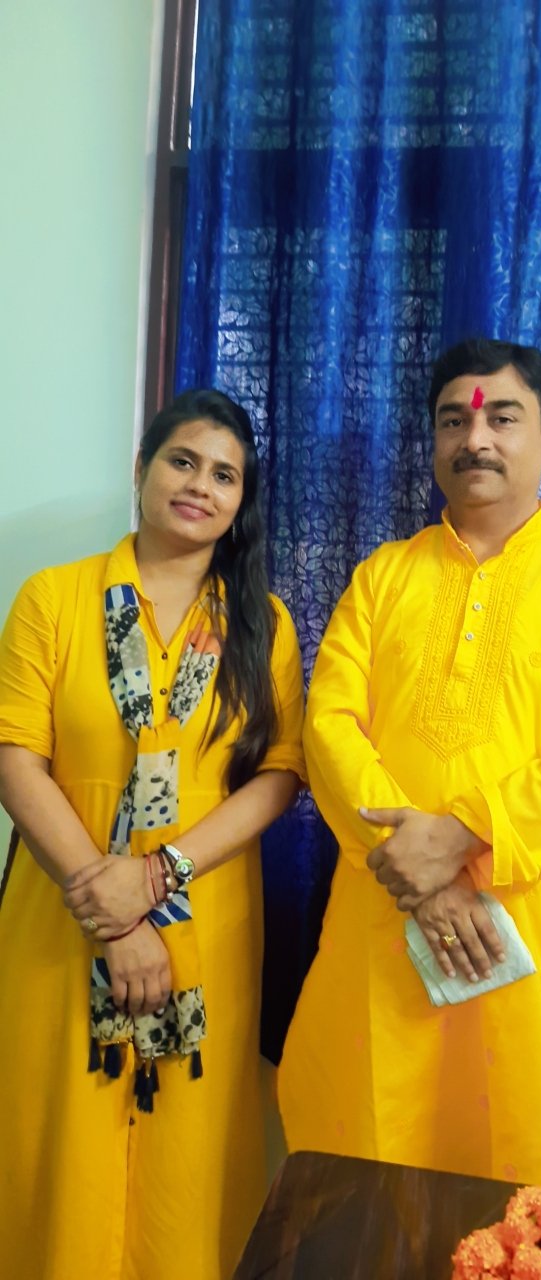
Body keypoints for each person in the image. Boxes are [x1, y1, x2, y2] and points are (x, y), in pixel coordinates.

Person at [278, 337, 541, 1189]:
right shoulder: (382, 578)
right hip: (381, 927)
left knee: (510, 1172)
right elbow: (328, 727)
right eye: (454, 421)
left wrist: (460, 836)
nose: (475, 439)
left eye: (502, 419)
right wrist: (422, 876)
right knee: (364, 1172)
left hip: (516, 936)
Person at [0, 390, 305, 1279]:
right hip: (64, 921)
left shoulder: (262, 624)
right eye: (183, 461)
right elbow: (16, 758)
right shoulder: (53, 599)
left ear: (241, 501)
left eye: (225, 475)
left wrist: (158, 876)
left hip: (206, 919)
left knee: (187, 1160)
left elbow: (281, 774)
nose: (201, 486)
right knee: (56, 1146)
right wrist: (115, 914)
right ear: (141, 470)